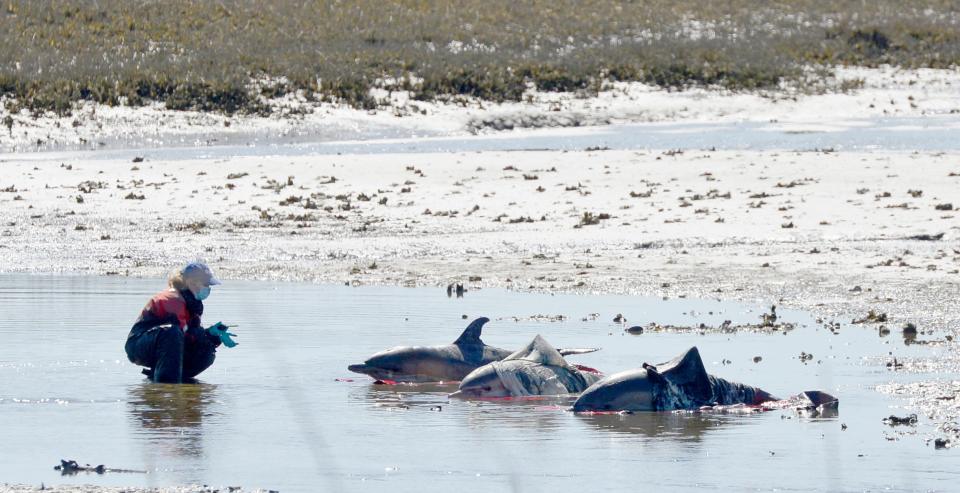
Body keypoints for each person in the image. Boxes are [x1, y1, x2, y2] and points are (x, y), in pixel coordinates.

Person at [125, 262, 237, 383]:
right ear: (191, 282)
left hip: (166, 341)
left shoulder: (192, 303)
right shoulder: (172, 299)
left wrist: (212, 337)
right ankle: (167, 387)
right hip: (138, 344)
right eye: (205, 284)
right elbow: (184, 334)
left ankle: (174, 379)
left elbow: (189, 335)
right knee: (172, 333)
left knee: (206, 350)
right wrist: (207, 334)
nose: (208, 288)